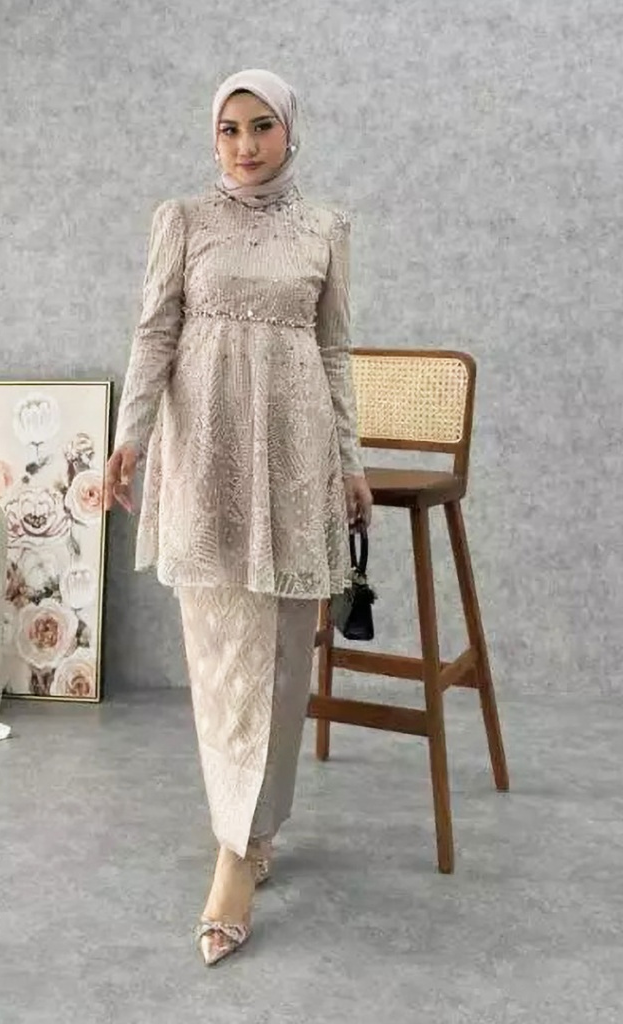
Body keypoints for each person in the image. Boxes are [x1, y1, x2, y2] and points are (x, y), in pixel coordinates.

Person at [104, 68, 372, 966]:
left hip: (295, 452)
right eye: (229, 129)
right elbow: (155, 332)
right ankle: (237, 835)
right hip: (209, 453)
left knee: (286, 655)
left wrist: (350, 461)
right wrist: (131, 438)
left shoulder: (326, 228)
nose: (246, 145)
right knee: (221, 655)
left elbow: (335, 349)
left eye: (262, 126)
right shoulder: (182, 220)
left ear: (290, 130)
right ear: (212, 137)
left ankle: (247, 840)